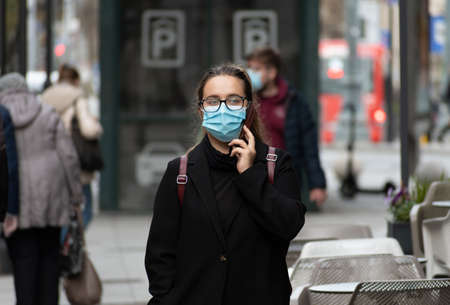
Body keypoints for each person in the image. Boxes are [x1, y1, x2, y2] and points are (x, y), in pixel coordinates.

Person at [145, 64, 306, 305]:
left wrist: (250, 175)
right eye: (212, 101)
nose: (222, 108)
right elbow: (160, 253)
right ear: (201, 111)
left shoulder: (276, 164)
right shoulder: (180, 173)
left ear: (247, 107)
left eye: (233, 100)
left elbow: (289, 225)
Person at [0, 73, 82, 305]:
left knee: (23, 263)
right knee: (49, 262)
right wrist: (75, 196)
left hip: (16, 205)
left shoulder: (2, 116)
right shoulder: (46, 113)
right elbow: (68, 157)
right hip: (51, 200)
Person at [246, 47, 327, 208]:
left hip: (284, 177)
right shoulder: (246, 101)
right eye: (250, 68)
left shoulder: (294, 102)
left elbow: (309, 146)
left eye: (256, 69)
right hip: (254, 175)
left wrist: (317, 184)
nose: (251, 73)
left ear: (272, 72)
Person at [42, 63, 103, 229]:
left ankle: (64, 244)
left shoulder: (45, 97)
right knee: (86, 209)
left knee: (60, 209)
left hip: (51, 160)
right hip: (75, 160)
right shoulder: (78, 97)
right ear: (75, 80)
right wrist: (97, 125)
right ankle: (69, 245)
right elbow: (89, 130)